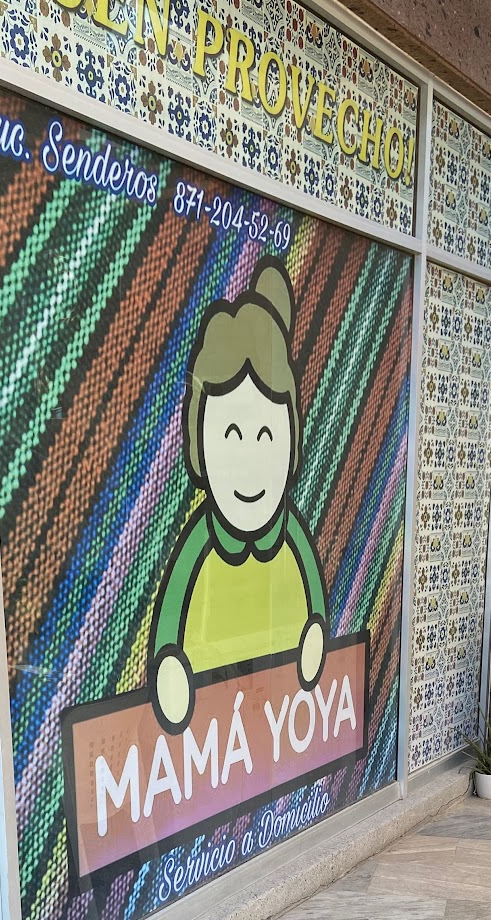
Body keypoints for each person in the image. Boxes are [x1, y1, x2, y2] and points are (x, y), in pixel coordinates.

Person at [149, 256, 328, 733]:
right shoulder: (204, 536)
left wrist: (314, 628)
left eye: (266, 435)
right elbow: (175, 602)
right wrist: (169, 660)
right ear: (201, 447)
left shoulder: (287, 527)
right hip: (214, 668)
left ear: (289, 443)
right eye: (231, 433)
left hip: (273, 666)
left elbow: (311, 579)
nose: (250, 456)